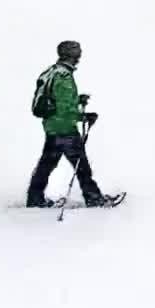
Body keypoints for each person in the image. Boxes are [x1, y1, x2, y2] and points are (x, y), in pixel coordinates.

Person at [25, 40, 116, 208]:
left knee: (46, 165)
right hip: (65, 129)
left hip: (52, 127)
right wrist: (84, 117)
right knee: (82, 167)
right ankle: (94, 198)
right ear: (71, 55)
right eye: (77, 53)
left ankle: (34, 198)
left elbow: (57, 100)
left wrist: (78, 100)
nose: (79, 57)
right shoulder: (64, 76)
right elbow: (64, 108)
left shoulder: (52, 72)